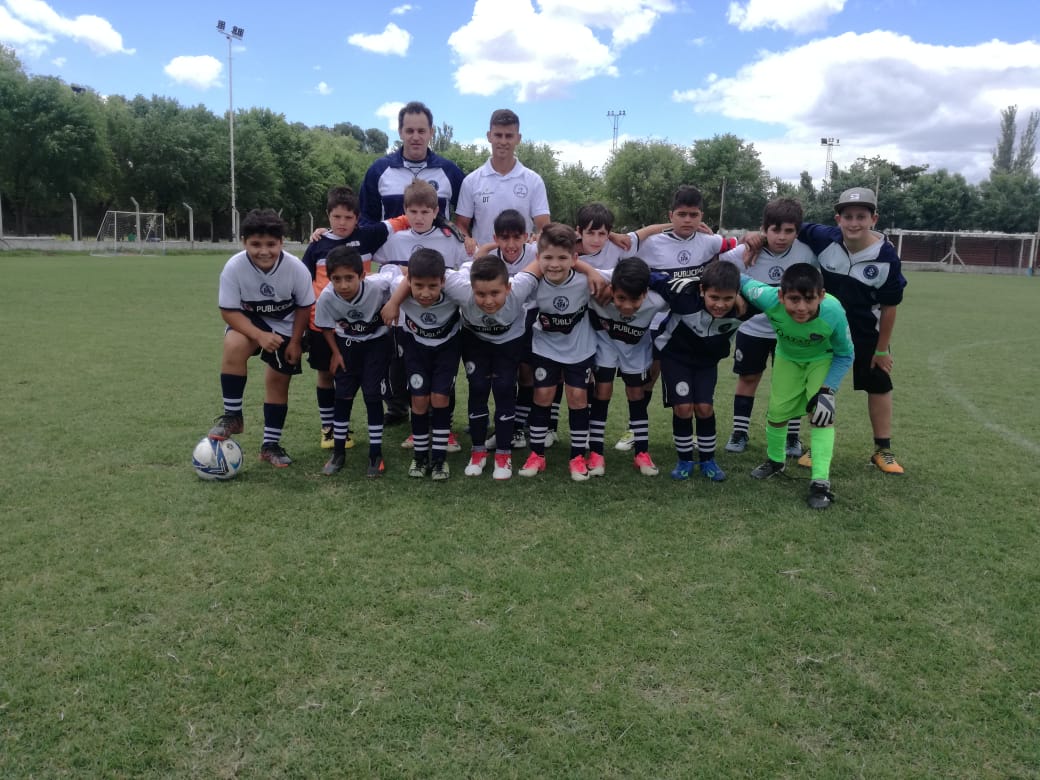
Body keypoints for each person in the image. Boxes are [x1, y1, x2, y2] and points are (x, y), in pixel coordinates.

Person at [778, 187, 907, 474]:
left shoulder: (886, 257)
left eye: (861, 216)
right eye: (848, 216)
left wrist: (882, 350)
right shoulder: (824, 237)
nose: (854, 223)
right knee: (819, 386)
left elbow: (890, 307)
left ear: (874, 219)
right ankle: (817, 445)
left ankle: (883, 450)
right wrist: (756, 237)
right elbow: (785, 227)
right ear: (838, 219)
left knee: (879, 383)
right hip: (824, 330)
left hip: (865, 332)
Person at [614, 184, 736, 453]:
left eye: (694, 215)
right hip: (654, 322)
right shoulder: (652, 243)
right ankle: (635, 428)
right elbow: (621, 252)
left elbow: (739, 246)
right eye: (682, 214)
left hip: (688, 326)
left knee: (683, 379)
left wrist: (757, 240)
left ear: (701, 216)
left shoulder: (709, 242)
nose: (688, 220)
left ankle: (690, 434)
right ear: (671, 215)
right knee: (647, 377)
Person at [741, 263, 854, 509]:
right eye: (793, 299)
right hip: (787, 358)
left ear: (821, 296)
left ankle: (820, 482)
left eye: (809, 299)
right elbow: (738, 279)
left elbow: (846, 354)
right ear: (781, 295)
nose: (801, 308)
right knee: (776, 413)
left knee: (822, 414)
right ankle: (775, 461)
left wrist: (828, 390)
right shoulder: (767, 297)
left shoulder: (834, 312)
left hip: (821, 359)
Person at [207, 209, 315, 467]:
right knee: (234, 343)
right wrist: (259, 335)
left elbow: (304, 307)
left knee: (278, 381)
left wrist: (296, 342)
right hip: (251, 321)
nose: (264, 251)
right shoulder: (234, 267)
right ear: (244, 242)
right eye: (256, 244)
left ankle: (270, 445)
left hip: (287, 325)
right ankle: (233, 416)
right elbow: (228, 311)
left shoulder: (295, 268)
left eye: (271, 244)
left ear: (281, 243)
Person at [301, 186, 401, 452]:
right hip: (322, 322)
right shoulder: (317, 244)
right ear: (328, 216)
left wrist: (444, 223)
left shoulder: (367, 236)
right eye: (336, 217)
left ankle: (346, 424)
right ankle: (329, 428)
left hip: (358, 325)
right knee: (326, 374)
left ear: (358, 218)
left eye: (348, 217)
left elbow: (400, 221)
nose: (342, 222)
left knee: (354, 378)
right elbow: (303, 280)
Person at [719, 198, 817, 457]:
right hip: (753, 329)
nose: (781, 237)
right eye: (775, 230)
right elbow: (717, 266)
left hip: (792, 331)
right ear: (764, 229)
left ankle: (792, 438)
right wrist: (736, 295)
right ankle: (739, 432)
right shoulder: (746, 251)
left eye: (789, 231)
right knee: (748, 378)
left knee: (793, 383)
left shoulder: (807, 254)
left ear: (797, 231)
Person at [515, 223, 600, 481]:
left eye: (562, 258)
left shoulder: (587, 281)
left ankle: (577, 457)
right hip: (545, 348)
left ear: (574, 258)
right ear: (538, 257)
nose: (554, 264)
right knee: (542, 396)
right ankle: (537, 455)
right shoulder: (532, 284)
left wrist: (591, 271)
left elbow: (622, 277)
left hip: (579, 349)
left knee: (577, 398)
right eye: (548, 258)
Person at [380, 248, 471, 480]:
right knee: (419, 400)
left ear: (443, 281)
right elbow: (384, 277)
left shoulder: (455, 286)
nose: (425, 293)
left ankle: (439, 459)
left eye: (433, 286)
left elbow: (480, 292)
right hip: (416, 349)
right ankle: (420, 457)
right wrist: (393, 302)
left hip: (447, 349)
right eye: (418, 286)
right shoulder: (399, 285)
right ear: (409, 281)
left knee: (440, 398)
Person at [654, 260, 747, 482]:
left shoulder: (746, 308)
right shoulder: (684, 295)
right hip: (675, 358)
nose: (720, 305)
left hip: (707, 363)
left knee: (705, 408)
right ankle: (684, 460)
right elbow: (650, 276)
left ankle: (708, 461)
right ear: (702, 290)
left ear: (737, 294)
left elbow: (776, 299)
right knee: (683, 408)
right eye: (714, 297)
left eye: (728, 298)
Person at [314, 246, 403, 478]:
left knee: (372, 395)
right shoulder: (327, 297)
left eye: (349, 278)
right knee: (342, 396)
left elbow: (397, 273)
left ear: (362, 275)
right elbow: (326, 327)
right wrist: (336, 353)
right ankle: (338, 452)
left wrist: (394, 302)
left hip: (377, 345)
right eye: (336, 279)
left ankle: (375, 453)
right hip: (347, 347)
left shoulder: (378, 285)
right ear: (329, 278)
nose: (343, 285)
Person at [456, 255, 540, 480]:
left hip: (509, 342)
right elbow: (425, 269)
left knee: (504, 389)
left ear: (508, 287)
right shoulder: (459, 288)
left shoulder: (520, 287)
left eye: (495, 293)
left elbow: (541, 261)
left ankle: (503, 453)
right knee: (478, 388)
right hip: (475, 341)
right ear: (471, 289)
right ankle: (478, 452)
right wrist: (394, 302)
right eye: (481, 294)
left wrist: (590, 272)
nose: (488, 301)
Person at [587, 257, 670, 477]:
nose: (627, 306)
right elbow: (572, 267)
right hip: (605, 345)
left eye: (635, 299)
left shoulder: (657, 300)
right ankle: (596, 453)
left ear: (645, 293)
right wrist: (593, 274)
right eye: (621, 298)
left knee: (636, 394)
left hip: (635, 350)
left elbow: (681, 289)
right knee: (602, 392)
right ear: (612, 289)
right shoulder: (598, 291)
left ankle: (641, 452)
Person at [455, 108, 551, 249]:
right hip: (484, 259)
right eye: (498, 135)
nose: (503, 141)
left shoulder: (534, 181)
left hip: (523, 260)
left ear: (518, 138)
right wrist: (468, 241)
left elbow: (544, 227)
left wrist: (539, 237)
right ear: (489, 136)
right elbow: (461, 225)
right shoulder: (471, 181)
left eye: (509, 136)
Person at [359, 100, 465, 225]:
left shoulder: (449, 171)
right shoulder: (378, 170)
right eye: (410, 131)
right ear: (400, 132)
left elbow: (468, 215)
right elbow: (365, 219)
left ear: (431, 132)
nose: (415, 137)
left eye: (421, 131)